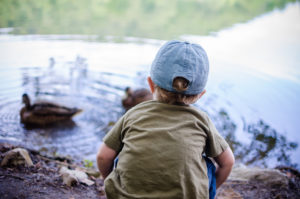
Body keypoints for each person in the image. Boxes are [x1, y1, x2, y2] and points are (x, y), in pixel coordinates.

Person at [97, 40, 235, 199]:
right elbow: (227, 162)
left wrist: (108, 179)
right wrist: (208, 189)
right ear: (200, 95)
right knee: (208, 164)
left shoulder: (133, 114)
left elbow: (103, 156)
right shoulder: (202, 120)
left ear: (150, 83)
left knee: (121, 156)